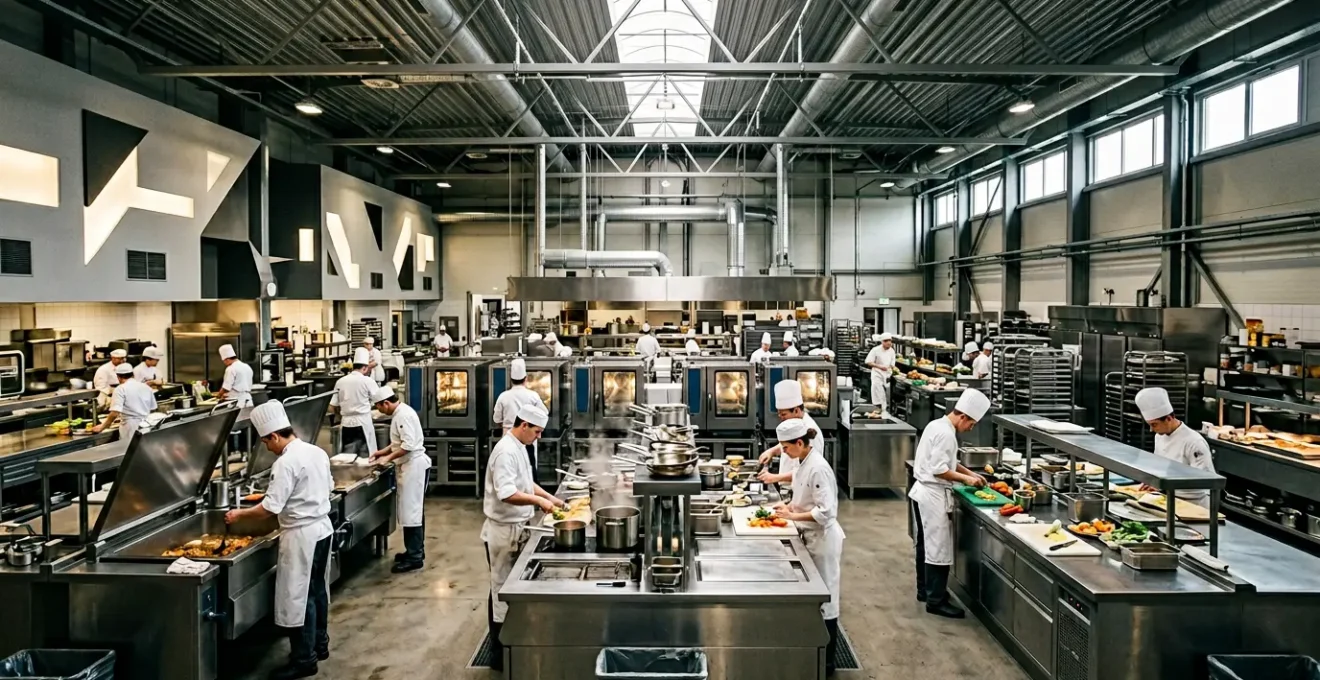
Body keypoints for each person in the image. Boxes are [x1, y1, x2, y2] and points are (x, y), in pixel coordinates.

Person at [226, 401, 333, 680]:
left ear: (274, 436)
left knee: (298, 597)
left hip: (301, 536)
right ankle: (320, 645)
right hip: (322, 529)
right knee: (317, 590)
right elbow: (326, 487)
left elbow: (269, 509)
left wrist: (239, 514)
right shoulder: (316, 451)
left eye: (265, 442)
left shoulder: (285, 463)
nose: (266, 448)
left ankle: (304, 660)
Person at [481, 404, 567, 671]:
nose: (539, 437)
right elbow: (507, 493)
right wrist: (540, 503)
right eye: (537, 431)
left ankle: (512, 644)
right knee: (501, 591)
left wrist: (550, 498)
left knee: (511, 589)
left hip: (517, 527)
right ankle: (498, 655)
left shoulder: (519, 446)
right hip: (503, 531)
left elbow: (525, 483)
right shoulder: (505, 452)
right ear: (524, 425)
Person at [772, 418, 845, 675]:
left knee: (826, 600)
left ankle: (827, 663)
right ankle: (813, 652)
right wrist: (788, 507)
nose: (784, 452)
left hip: (823, 540)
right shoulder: (803, 462)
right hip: (809, 536)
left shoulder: (818, 468)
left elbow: (826, 513)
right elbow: (804, 497)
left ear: (800, 443)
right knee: (814, 599)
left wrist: (792, 516)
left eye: (786, 447)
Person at [909, 388, 990, 619]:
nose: (971, 428)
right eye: (971, 424)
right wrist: (967, 480)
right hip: (933, 496)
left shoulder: (937, 425)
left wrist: (970, 473)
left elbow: (949, 462)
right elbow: (939, 470)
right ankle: (936, 601)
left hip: (921, 494)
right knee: (938, 549)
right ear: (963, 416)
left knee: (925, 546)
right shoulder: (946, 434)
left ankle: (925, 591)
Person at [369, 385, 429, 573]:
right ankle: (414, 551)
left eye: (379, 407)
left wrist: (387, 458)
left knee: (412, 513)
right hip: (409, 467)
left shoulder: (403, 415)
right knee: (411, 512)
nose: (379, 410)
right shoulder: (400, 413)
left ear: (386, 403)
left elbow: (408, 445)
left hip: (413, 467)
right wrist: (382, 452)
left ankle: (415, 557)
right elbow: (398, 442)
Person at [1135, 387, 1216, 507]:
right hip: (1168, 498)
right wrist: (1153, 482)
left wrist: (1164, 486)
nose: (1151, 430)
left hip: (1194, 504)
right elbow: (1160, 468)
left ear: (1169, 418)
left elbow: (1204, 481)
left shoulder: (1194, 442)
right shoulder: (1159, 436)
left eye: (1154, 424)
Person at [757, 380, 823, 485]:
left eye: (783, 414)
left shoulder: (810, 432)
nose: (781, 418)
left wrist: (776, 477)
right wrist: (772, 451)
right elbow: (789, 443)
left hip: (802, 489)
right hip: (790, 487)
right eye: (779, 414)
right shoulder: (795, 426)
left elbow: (807, 471)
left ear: (796, 410)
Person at [492, 358, 546, 483]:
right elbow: (544, 414)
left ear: (511, 380)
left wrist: (508, 425)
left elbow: (497, 419)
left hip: (509, 437)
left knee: (509, 471)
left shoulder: (503, 396)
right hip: (528, 438)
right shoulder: (532, 395)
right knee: (529, 471)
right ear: (525, 379)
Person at [91, 363, 156, 440]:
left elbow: (115, 413)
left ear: (118, 377)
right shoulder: (146, 387)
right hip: (146, 425)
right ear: (132, 375)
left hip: (130, 427)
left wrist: (102, 427)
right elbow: (153, 408)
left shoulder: (120, 389)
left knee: (130, 446)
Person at [332, 348, 377, 456]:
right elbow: (379, 400)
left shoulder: (340, 381)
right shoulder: (368, 381)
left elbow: (333, 406)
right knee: (366, 456)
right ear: (365, 368)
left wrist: (340, 415)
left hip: (345, 423)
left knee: (348, 457)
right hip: (363, 422)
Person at [864, 333, 896, 411]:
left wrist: (891, 368)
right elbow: (868, 362)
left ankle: (885, 409)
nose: (889, 343)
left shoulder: (892, 351)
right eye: (886, 341)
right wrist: (880, 367)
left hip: (887, 375)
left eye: (890, 341)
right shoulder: (875, 350)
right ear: (882, 342)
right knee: (878, 392)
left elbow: (892, 364)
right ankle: (880, 409)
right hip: (877, 374)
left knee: (887, 394)